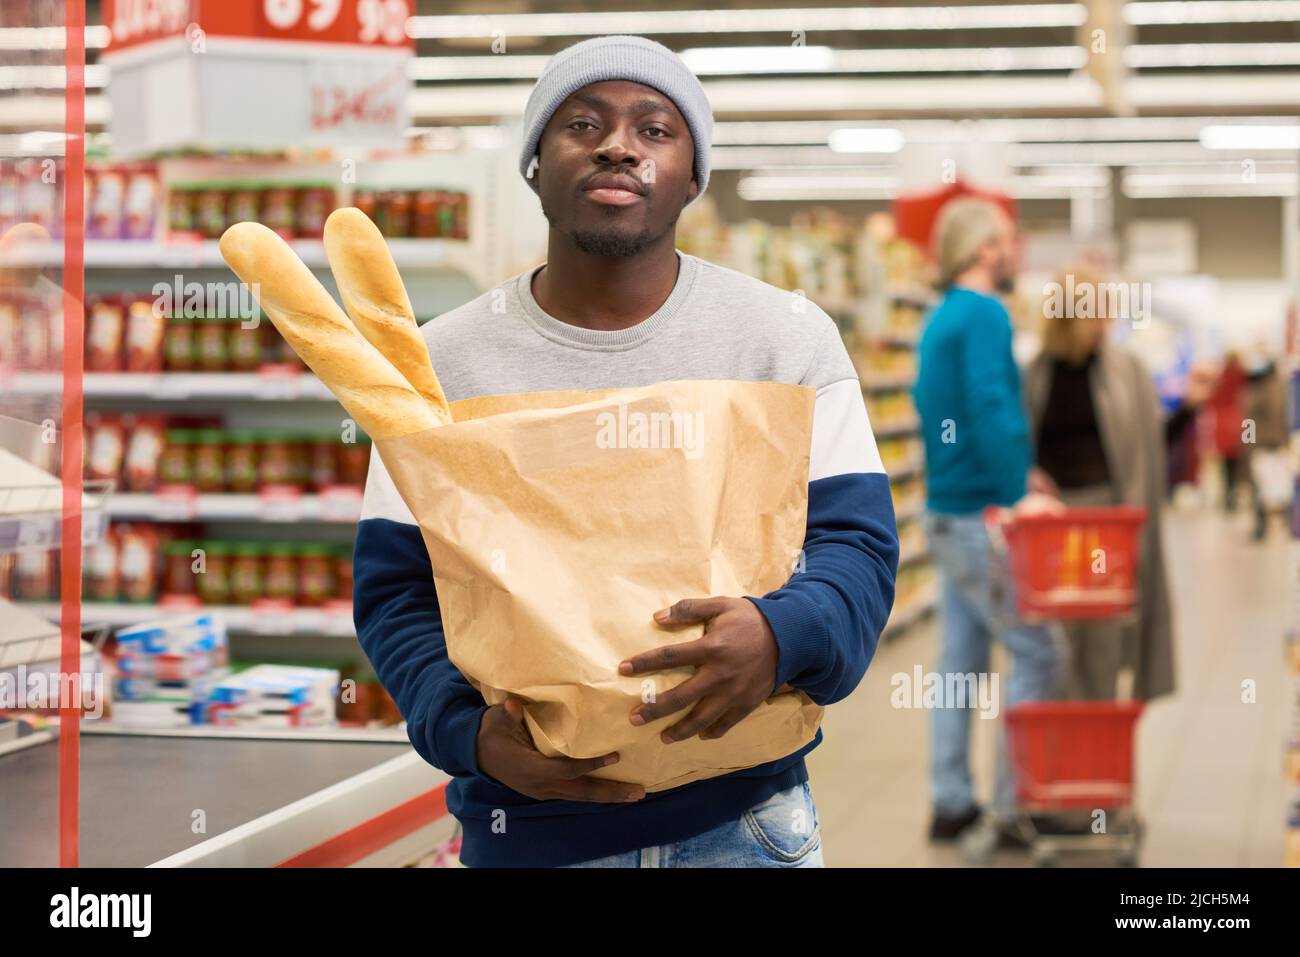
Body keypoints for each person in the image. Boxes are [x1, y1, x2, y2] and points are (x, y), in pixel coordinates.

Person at [352, 35, 899, 868]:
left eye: (654, 129)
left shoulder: (783, 340)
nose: (617, 145)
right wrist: (468, 733)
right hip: (529, 835)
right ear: (536, 164)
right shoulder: (440, 363)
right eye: (581, 123)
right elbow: (397, 588)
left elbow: (855, 543)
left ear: (692, 175)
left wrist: (779, 634)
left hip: (748, 828)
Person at [912, 198, 1062, 845]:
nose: (1014, 250)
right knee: (1037, 651)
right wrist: (1014, 491)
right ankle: (1011, 808)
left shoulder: (942, 316)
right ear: (984, 250)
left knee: (960, 662)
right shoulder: (985, 314)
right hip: (980, 515)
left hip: (947, 510)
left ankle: (951, 801)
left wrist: (1017, 473)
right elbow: (991, 404)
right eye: (1006, 239)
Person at [1022, 264, 1176, 702]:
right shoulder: (1035, 374)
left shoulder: (1126, 370)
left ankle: (1098, 727)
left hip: (1110, 518)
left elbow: (1148, 441)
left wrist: (1187, 413)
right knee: (1057, 633)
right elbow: (1020, 446)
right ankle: (1064, 735)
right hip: (1052, 522)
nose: (1106, 322)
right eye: (1097, 312)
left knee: (1105, 628)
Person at [1241, 348, 1291, 541]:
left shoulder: (1255, 390)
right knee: (1276, 486)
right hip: (1273, 443)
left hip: (1262, 444)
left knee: (1263, 487)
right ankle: (1279, 524)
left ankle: (1263, 527)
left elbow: (1249, 421)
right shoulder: (1281, 388)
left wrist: (1248, 444)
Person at [1207, 352, 1249, 512]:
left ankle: (1228, 496)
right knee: (1238, 463)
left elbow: (1212, 401)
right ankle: (1233, 495)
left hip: (1224, 424)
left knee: (1226, 464)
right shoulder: (1243, 377)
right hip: (1241, 423)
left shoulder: (1222, 378)